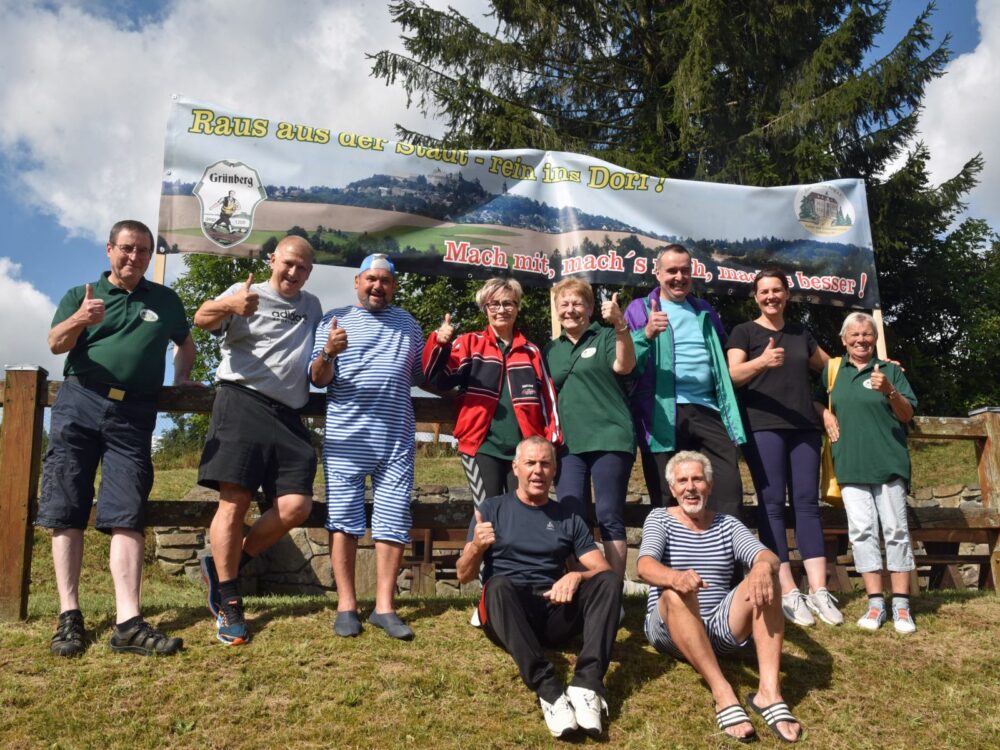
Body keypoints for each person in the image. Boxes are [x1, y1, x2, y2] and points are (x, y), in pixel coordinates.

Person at [37, 219, 196, 657]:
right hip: (79, 401)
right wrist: (79, 319)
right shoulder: (82, 294)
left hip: (134, 412)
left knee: (127, 509)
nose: (135, 257)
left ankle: (128, 622)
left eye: (143, 251)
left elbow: (186, 343)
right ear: (110, 249)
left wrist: (183, 377)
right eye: (127, 248)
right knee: (67, 503)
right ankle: (69, 616)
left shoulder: (165, 300)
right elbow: (54, 343)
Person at [195, 235, 323, 645]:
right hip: (242, 401)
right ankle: (230, 603)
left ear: (309, 271)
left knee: (296, 506)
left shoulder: (313, 306)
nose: (292, 272)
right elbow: (200, 318)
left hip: (288, 415)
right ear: (272, 259)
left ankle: (224, 566)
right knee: (234, 502)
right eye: (287, 263)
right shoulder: (243, 291)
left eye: (301, 267)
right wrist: (230, 306)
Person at [457, 436, 622, 739]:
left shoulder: (568, 517)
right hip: (509, 611)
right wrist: (474, 549)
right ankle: (549, 690)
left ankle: (586, 684)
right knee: (497, 586)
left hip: (555, 608)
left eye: (545, 464)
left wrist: (576, 576)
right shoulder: (492, 509)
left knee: (609, 581)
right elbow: (464, 575)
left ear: (555, 470)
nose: (538, 471)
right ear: (516, 467)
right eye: (530, 463)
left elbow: (601, 569)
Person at [637, 451, 802, 743]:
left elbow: (766, 555)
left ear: (709, 486)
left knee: (767, 576)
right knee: (677, 594)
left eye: (697, 479)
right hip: (669, 628)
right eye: (682, 481)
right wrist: (676, 577)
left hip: (718, 627)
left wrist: (763, 565)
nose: (690, 487)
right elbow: (644, 566)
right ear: (673, 489)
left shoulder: (727, 524)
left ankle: (769, 693)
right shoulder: (660, 518)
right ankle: (723, 692)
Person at [311, 253, 424, 640]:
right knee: (343, 520)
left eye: (386, 281)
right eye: (371, 279)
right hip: (346, 439)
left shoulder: (409, 325)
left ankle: (384, 607)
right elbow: (318, 378)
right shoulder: (333, 320)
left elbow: (424, 373)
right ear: (357, 282)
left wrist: (444, 347)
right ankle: (346, 606)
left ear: (394, 286)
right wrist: (328, 352)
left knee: (393, 520)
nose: (378, 286)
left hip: (396, 439)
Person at [726, 268, 843, 627]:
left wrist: (877, 368)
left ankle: (819, 590)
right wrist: (762, 361)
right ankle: (787, 589)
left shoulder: (800, 333)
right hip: (763, 427)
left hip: (804, 427)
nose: (771, 297)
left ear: (787, 295)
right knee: (773, 505)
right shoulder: (744, 331)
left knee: (807, 504)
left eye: (777, 290)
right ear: (755, 297)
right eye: (764, 292)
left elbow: (833, 370)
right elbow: (733, 375)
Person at [623, 244, 746, 514]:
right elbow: (625, 364)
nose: (679, 277)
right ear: (657, 273)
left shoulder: (705, 310)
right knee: (668, 496)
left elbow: (721, 358)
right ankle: (671, 556)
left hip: (709, 408)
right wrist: (646, 333)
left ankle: (723, 554)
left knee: (727, 488)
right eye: (671, 271)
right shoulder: (639, 308)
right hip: (662, 413)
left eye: (685, 270)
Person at [816, 312, 918, 634]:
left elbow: (906, 414)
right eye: (855, 335)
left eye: (867, 334)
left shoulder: (890, 371)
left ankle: (901, 605)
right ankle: (876, 604)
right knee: (861, 534)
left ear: (875, 339)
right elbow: (816, 402)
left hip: (888, 465)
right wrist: (825, 416)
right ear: (844, 339)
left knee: (896, 533)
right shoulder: (833, 372)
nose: (861, 340)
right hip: (850, 466)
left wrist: (889, 389)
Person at [423, 277, 561, 508]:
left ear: (517, 307)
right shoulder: (469, 343)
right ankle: (478, 546)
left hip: (524, 449)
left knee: (522, 511)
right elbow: (437, 377)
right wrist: (440, 343)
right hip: (481, 446)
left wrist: (550, 440)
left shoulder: (531, 351)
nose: (501, 310)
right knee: (487, 512)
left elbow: (548, 400)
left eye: (508, 303)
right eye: (493, 304)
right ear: (484, 308)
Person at [544, 278, 635, 578]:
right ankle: (584, 585)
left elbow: (625, 366)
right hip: (568, 444)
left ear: (591, 308)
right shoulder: (550, 350)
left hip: (610, 437)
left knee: (609, 515)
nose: (570, 310)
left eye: (577, 303)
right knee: (572, 516)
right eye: (564, 304)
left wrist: (621, 325)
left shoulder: (607, 336)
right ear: (557, 310)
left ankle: (613, 591)